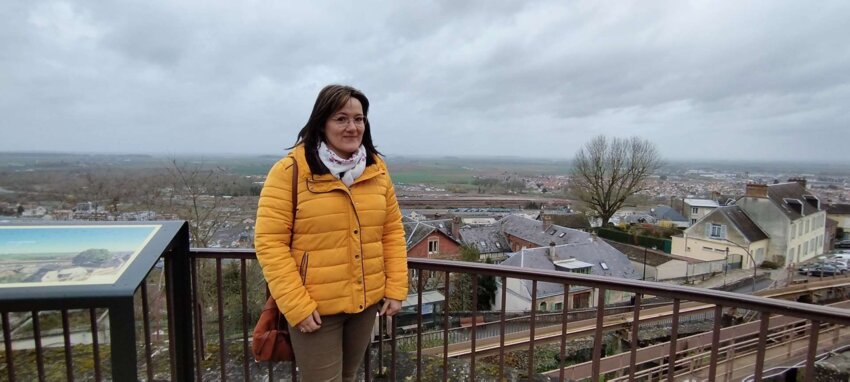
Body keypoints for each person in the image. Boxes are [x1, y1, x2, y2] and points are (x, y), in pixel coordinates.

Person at [254, 84, 408, 381]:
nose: (352, 127)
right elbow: (270, 243)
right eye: (341, 119)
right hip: (315, 308)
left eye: (359, 119)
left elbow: (391, 232)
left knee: (348, 376)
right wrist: (296, 305)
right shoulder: (290, 172)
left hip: (365, 303)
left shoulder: (376, 170)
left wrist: (396, 288)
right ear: (321, 123)